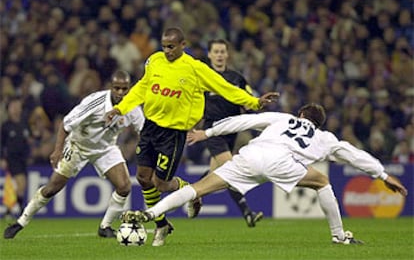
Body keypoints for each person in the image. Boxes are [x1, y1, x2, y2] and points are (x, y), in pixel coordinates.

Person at [121, 103, 408, 244]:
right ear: (318, 124)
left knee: (199, 187)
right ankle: (338, 236)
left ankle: (151, 212)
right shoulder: (325, 137)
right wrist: (382, 174)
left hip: (251, 155)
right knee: (322, 181)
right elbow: (351, 153)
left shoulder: (283, 118)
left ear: (300, 113)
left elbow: (245, 120)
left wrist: (207, 131)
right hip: (282, 161)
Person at [104, 27, 279, 246]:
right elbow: (141, 88)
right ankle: (161, 225)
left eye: (171, 46)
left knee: (161, 183)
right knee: (142, 177)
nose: (166, 50)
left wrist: (254, 102)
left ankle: (192, 192)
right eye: (164, 46)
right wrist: (120, 108)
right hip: (150, 128)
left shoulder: (196, 68)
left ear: (182, 45)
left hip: (173, 133)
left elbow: (225, 87)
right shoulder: (154, 61)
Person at [4, 70, 145, 239]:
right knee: (52, 188)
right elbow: (65, 124)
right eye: (117, 88)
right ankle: (21, 221)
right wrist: (57, 150)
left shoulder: (133, 108)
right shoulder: (95, 102)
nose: (120, 93)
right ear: (110, 87)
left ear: (129, 89)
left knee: (124, 186)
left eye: (124, 89)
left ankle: (105, 227)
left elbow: (144, 132)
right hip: (78, 145)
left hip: (106, 149)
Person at [201, 38, 263, 227]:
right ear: (209, 55)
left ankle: (190, 195)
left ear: (227, 55)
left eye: (222, 51)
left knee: (214, 174)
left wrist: (250, 104)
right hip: (212, 130)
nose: (219, 55)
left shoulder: (237, 79)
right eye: (216, 52)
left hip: (232, 131)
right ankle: (247, 213)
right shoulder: (203, 78)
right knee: (231, 170)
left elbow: (249, 102)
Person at [0, 98, 31, 218]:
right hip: (12, 158)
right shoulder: (6, 126)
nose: (16, 109)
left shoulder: (24, 124)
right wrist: (2, 158)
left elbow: (28, 140)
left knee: (21, 186)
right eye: (13, 106)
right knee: (21, 182)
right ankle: (21, 210)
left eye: (18, 106)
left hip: (23, 159)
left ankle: (9, 210)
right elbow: (1, 143)